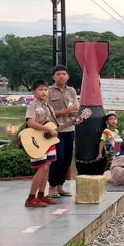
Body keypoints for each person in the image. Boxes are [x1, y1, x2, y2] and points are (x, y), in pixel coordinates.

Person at [24, 80, 58, 208]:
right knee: (42, 167)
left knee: (47, 167)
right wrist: (48, 129)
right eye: (41, 89)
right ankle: (30, 198)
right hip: (36, 141)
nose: (44, 92)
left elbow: (52, 124)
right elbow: (30, 123)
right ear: (34, 92)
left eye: (46, 89)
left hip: (47, 140)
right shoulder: (32, 106)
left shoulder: (49, 106)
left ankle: (41, 195)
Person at [47, 65, 79, 199]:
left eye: (64, 74)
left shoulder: (71, 91)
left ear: (68, 77)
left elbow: (75, 109)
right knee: (57, 159)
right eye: (58, 74)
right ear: (53, 77)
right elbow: (47, 112)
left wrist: (76, 118)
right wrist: (65, 112)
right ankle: (52, 187)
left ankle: (60, 186)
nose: (61, 76)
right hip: (55, 130)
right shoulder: (48, 91)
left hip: (69, 129)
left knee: (66, 159)